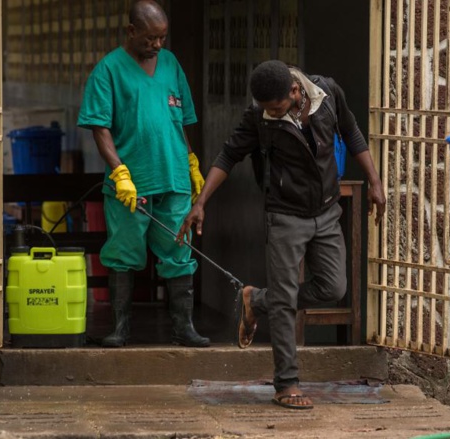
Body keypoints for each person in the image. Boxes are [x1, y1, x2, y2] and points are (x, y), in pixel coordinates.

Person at [178, 60, 386, 410]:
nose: (270, 114)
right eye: (265, 109)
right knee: (286, 300)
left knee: (334, 288)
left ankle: (256, 300)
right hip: (285, 214)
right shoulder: (260, 116)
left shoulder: (328, 93)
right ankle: (286, 383)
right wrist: (201, 203)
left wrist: (376, 182)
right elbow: (229, 154)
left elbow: (351, 133)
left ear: (294, 91)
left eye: (275, 108)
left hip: (326, 209)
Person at [77, 0, 210, 348]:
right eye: (150, 38)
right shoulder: (108, 71)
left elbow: (179, 120)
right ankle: (120, 329)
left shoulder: (170, 64)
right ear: (132, 31)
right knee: (123, 253)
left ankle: (185, 328)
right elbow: (100, 128)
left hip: (174, 177)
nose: (157, 45)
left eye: (162, 38)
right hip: (131, 184)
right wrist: (119, 172)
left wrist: (191, 161)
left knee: (179, 252)